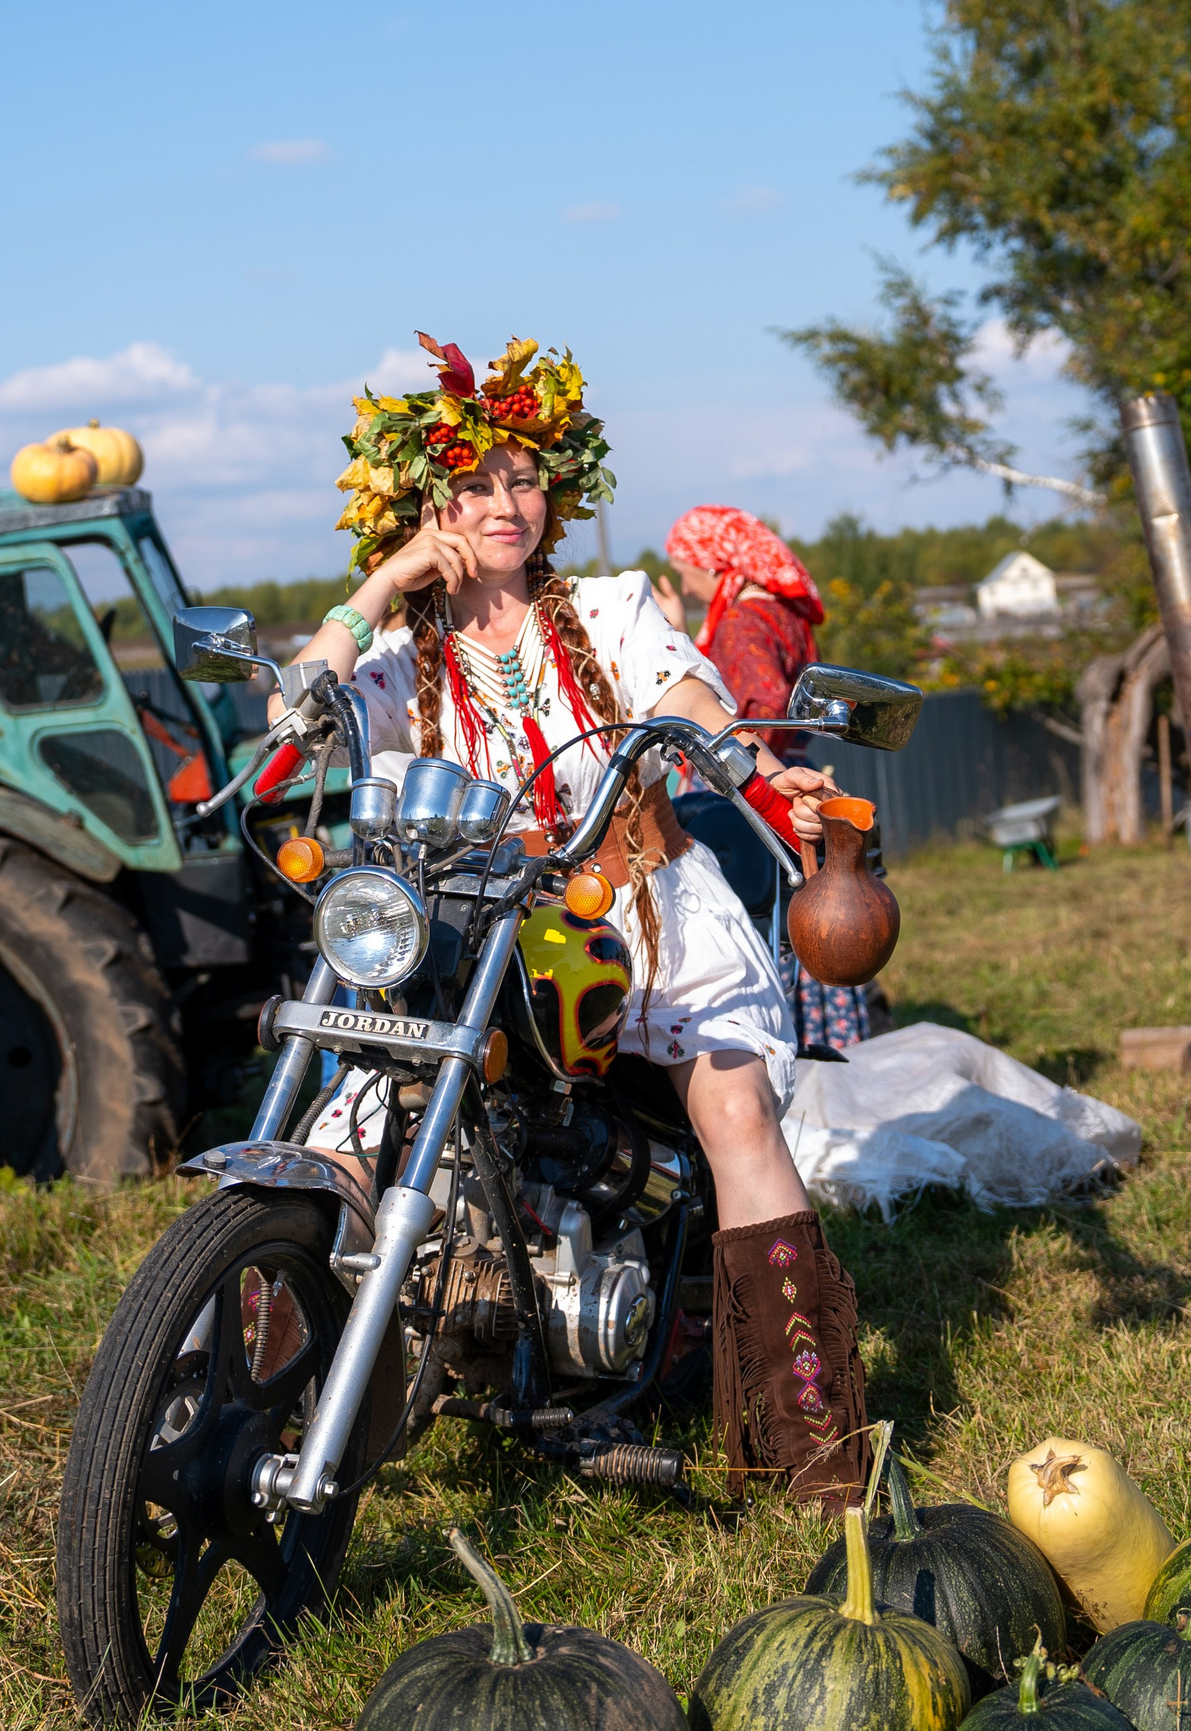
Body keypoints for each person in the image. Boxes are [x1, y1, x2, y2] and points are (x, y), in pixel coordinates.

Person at [295, 333, 869, 1509]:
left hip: (640, 912)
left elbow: (693, 702)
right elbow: (300, 710)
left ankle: (814, 1438)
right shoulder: (402, 653)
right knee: (337, 1143)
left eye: (522, 477)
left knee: (731, 1105)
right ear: (423, 504)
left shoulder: (607, 606)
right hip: (472, 931)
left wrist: (762, 775)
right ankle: (256, 1397)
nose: (505, 503)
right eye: (471, 484)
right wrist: (384, 582)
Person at [656, 503, 871, 1054]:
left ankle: (772, 1039)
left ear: (716, 562)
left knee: (761, 914)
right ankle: (828, 1033)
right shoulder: (784, 613)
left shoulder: (745, 620)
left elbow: (760, 701)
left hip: (747, 792)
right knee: (808, 907)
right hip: (797, 772)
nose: (685, 579)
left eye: (686, 566)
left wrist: (752, 773)